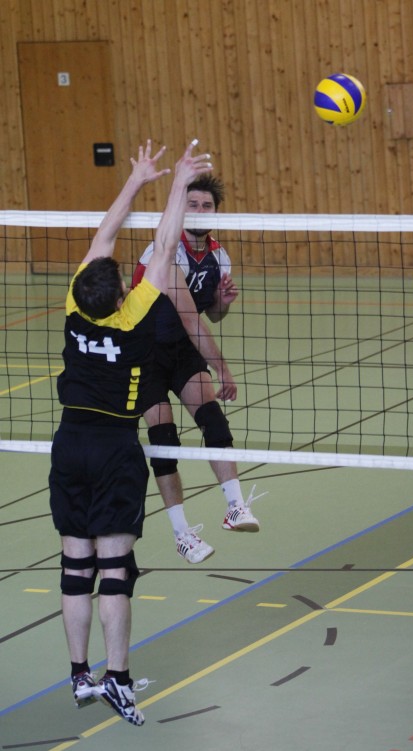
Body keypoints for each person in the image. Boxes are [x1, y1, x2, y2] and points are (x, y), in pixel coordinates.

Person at [48, 139, 213, 726]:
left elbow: (104, 234)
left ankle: (79, 675)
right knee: (115, 567)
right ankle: (117, 679)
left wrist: (137, 179)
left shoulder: (76, 306)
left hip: (69, 444)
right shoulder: (137, 313)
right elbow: (165, 245)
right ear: (121, 294)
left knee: (76, 565)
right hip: (115, 448)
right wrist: (175, 184)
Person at [131, 174, 265, 565]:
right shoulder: (164, 250)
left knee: (213, 419)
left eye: (206, 206)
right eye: (192, 205)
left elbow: (212, 315)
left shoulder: (219, 256)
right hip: (144, 354)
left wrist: (222, 302)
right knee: (164, 439)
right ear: (180, 209)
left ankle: (235, 507)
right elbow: (191, 319)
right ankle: (182, 535)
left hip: (182, 351)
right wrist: (223, 369)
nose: (200, 211)